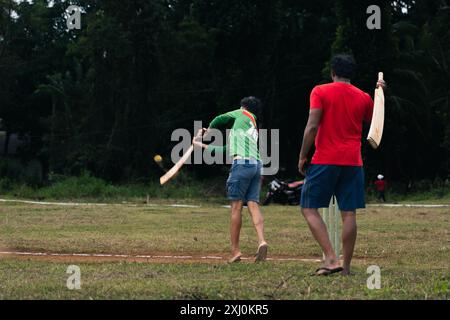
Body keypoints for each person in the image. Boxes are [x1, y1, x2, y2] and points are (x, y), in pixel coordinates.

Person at [298, 54, 386, 276]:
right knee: (349, 215)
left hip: (325, 159)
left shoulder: (320, 91)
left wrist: (302, 155)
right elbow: (377, 120)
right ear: (352, 74)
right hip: (353, 162)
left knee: (308, 208)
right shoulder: (364, 97)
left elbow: (312, 126)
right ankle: (345, 267)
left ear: (332, 72)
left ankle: (331, 258)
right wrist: (380, 93)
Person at [192, 96, 268, 263]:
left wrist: (208, 131)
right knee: (253, 204)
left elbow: (220, 118)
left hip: (241, 165)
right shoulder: (251, 126)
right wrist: (201, 145)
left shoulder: (242, 113)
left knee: (236, 208)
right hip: (255, 165)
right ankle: (262, 241)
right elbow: (226, 150)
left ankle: (235, 251)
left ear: (244, 107)